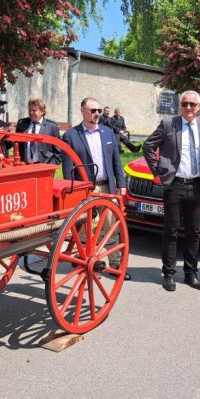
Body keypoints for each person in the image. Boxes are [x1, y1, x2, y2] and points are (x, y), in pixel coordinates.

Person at [143, 90, 200, 292]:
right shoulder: (168, 124)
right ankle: (169, 274)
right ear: (180, 105)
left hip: (197, 186)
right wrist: (159, 171)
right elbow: (148, 146)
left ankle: (191, 273)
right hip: (175, 185)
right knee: (170, 231)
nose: (188, 108)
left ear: (199, 107)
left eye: (192, 105)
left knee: (193, 233)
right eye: (185, 104)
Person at [61, 97, 131, 280]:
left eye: (98, 110)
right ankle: (87, 265)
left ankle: (116, 265)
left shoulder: (108, 133)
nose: (97, 114)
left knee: (110, 226)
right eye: (93, 110)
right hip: (85, 189)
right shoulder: (71, 135)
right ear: (83, 111)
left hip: (107, 186)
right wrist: (72, 190)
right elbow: (68, 169)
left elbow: (116, 161)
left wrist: (121, 185)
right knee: (85, 228)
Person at [15, 98, 61, 164]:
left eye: (34, 110)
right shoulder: (22, 124)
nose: (31, 113)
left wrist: (50, 165)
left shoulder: (51, 127)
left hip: (43, 167)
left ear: (42, 112)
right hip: (24, 166)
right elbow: (17, 145)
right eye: (30, 110)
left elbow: (58, 151)